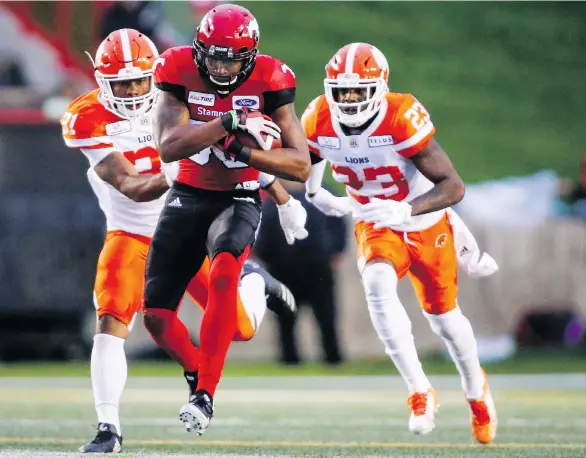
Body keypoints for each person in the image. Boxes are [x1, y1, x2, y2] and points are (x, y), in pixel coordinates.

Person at [61, 28, 307, 453]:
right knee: (111, 320)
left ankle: (253, 283)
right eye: (122, 82)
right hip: (132, 230)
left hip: (190, 223)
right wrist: (174, 170)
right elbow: (131, 186)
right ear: (101, 79)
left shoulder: (184, 96)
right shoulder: (86, 117)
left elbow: (234, 158)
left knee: (241, 330)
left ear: (154, 75)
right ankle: (108, 428)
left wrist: (283, 199)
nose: (133, 91)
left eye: (140, 80)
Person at [301, 42, 498, 444]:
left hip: (425, 222)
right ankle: (419, 390)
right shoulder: (318, 116)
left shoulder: (400, 116)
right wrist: (315, 190)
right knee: (375, 283)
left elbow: (454, 186)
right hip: (375, 222)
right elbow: (313, 154)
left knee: (444, 319)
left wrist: (406, 210)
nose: (350, 100)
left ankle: (476, 391)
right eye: (343, 92)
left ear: (380, 87)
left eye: (359, 91)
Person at [144, 3, 311, 436]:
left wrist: (246, 153)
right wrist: (228, 121)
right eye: (213, 55)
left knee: (221, 274)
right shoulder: (177, 68)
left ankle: (205, 395)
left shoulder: (272, 79)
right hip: (188, 192)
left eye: (230, 57)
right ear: (199, 50)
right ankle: (251, 291)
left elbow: (299, 165)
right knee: (156, 319)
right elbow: (169, 146)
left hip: (239, 195)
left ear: (250, 56)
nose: (220, 66)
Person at [254, 181, 347, 365]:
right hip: (283, 269)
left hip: (318, 267)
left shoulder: (323, 194)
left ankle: (333, 357)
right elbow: (263, 233)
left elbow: (339, 225)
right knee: (285, 319)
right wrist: (268, 260)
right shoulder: (273, 199)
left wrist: (336, 251)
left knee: (326, 316)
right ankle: (290, 359)